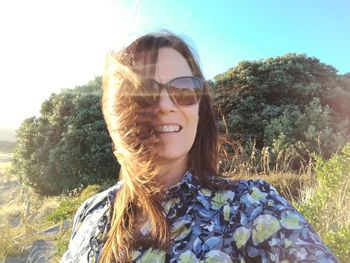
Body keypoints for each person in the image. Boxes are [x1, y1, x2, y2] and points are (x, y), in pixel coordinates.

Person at [61, 31, 339, 263]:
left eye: (183, 90)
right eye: (145, 92)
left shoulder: (253, 206)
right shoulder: (92, 211)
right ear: (117, 110)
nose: (165, 105)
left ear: (199, 107)